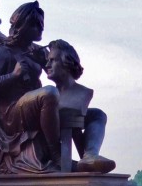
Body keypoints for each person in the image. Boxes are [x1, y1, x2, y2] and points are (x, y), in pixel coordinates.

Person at [0, 1, 60, 174]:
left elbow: (60, 69)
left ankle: (89, 155)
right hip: (12, 113)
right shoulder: (4, 52)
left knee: (96, 115)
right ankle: (56, 154)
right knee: (49, 94)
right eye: (35, 25)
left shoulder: (38, 51)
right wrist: (13, 76)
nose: (40, 28)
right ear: (23, 26)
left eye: (42, 24)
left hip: (34, 106)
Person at [45, 40, 116, 174]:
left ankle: (90, 154)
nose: (47, 65)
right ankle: (88, 158)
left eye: (52, 60)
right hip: (49, 152)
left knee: (98, 114)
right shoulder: (47, 96)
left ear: (67, 63)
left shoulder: (82, 92)